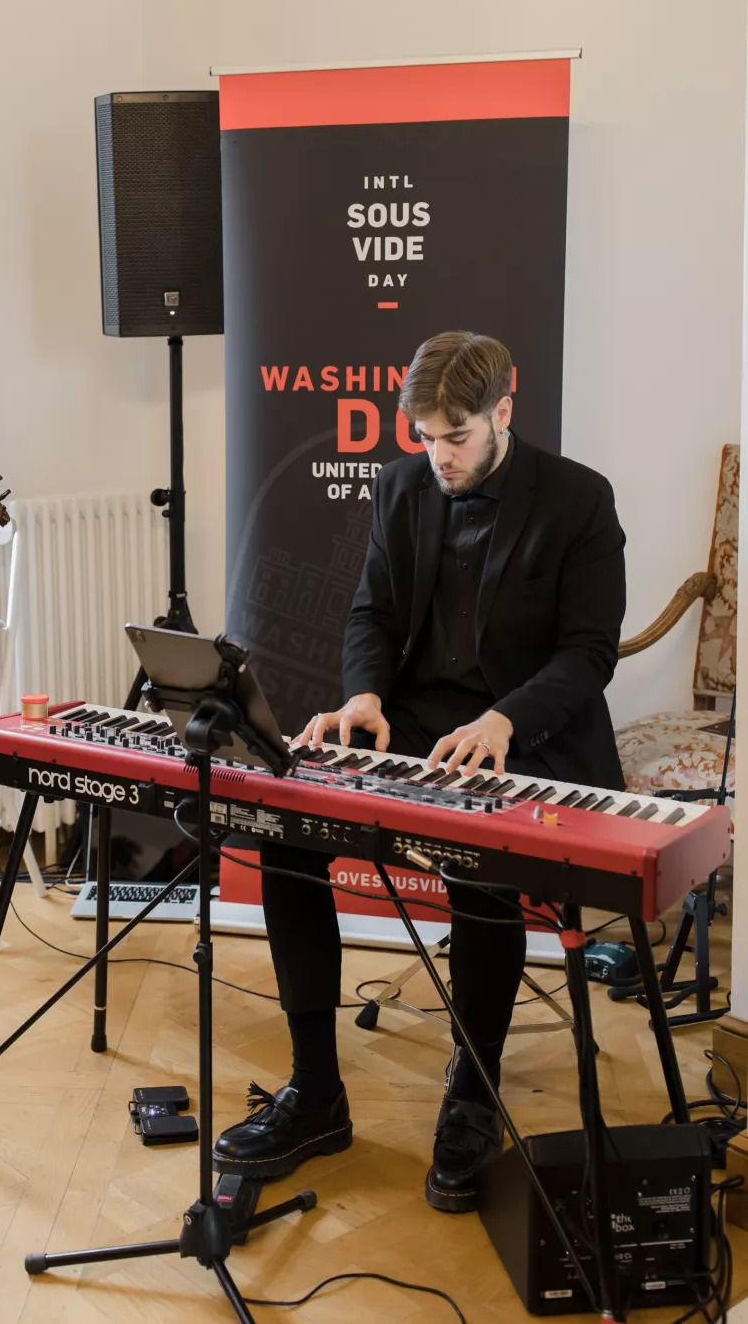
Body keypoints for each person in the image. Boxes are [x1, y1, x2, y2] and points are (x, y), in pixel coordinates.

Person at [212, 331, 626, 1213]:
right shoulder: (401, 485)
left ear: (504, 411)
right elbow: (373, 610)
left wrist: (505, 719)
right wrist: (363, 696)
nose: (440, 456)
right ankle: (315, 1089)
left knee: (480, 869)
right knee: (285, 835)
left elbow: (590, 653)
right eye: (427, 437)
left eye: (458, 437)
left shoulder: (580, 500)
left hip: (529, 730)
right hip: (415, 724)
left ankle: (473, 1091)